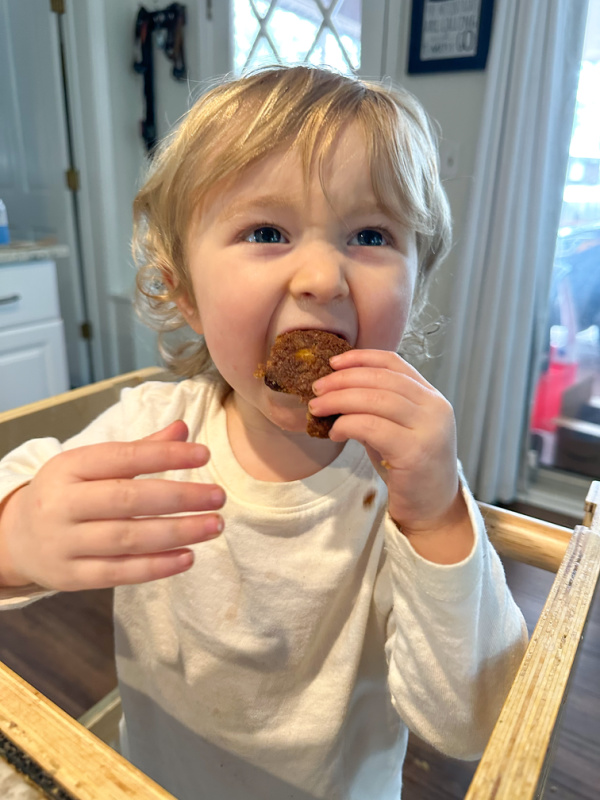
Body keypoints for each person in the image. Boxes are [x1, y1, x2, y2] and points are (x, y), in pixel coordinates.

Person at [0, 65, 528, 800]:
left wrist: (439, 518)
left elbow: (476, 724)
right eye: (267, 231)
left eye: (371, 234)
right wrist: (18, 533)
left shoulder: (408, 484)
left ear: (417, 281)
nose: (321, 277)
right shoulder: (155, 432)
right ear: (182, 291)